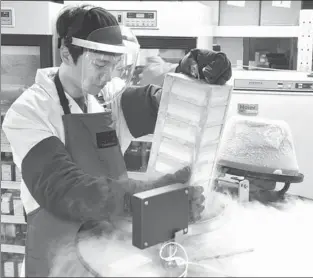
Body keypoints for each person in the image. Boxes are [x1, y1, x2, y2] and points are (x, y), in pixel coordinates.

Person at [2, 4, 232, 277]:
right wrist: (146, 197)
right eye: (100, 64)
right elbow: (63, 188)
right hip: (56, 262)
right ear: (66, 53)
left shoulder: (105, 96)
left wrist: (186, 71)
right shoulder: (30, 111)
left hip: (107, 254)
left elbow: (153, 102)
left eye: (114, 64)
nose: (108, 75)